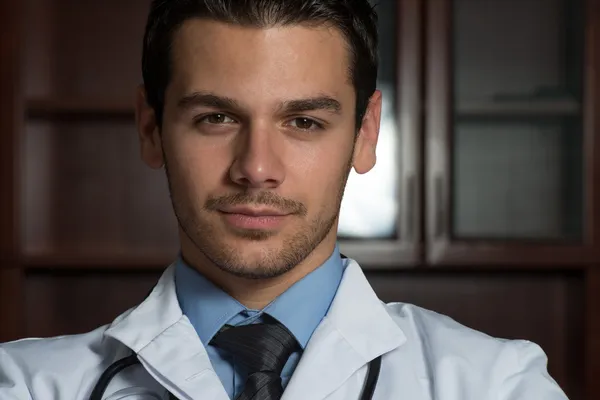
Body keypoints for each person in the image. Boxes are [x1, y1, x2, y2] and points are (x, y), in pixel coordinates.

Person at [0, 1, 569, 399]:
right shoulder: (25, 385)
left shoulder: (497, 384)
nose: (256, 168)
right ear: (151, 129)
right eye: (216, 118)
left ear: (365, 133)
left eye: (303, 120)